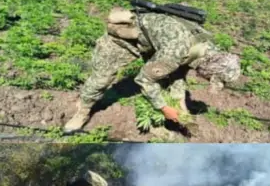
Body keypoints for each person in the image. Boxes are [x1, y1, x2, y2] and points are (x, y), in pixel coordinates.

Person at [63, 7, 242, 132]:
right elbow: (143, 79)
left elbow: (180, 72)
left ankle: (180, 109)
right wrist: (164, 108)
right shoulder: (176, 52)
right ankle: (83, 110)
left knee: (171, 71)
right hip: (124, 39)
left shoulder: (207, 50)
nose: (205, 79)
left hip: (154, 41)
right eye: (209, 78)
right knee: (101, 78)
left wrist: (180, 105)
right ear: (210, 70)